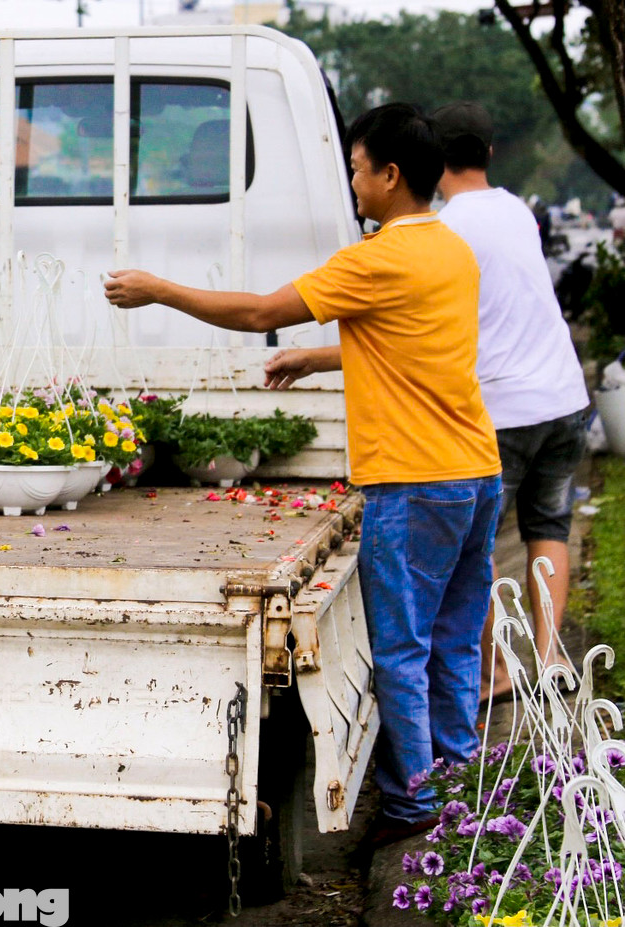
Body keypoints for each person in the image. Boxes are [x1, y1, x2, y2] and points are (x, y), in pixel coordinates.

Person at [104, 103, 502, 843]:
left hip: (412, 483)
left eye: (357, 168)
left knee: (404, 649)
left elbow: (260, 311)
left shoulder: (376, 257)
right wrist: (316, 357)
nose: (352, 182)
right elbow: (413, 344)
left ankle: (416, 806)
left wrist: (159, 289)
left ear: (390, 175)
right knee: (452, 640)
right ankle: (458, 782)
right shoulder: (451, 249)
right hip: (476, 473)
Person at [430, 102, 590, 703]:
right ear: (489, 152)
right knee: (549, 527)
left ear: (433, 158)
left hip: (502, 410)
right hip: (564, 397)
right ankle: (548, 659)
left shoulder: (447, 226)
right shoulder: (519, 209)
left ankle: (498, 673)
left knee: (480, 549)